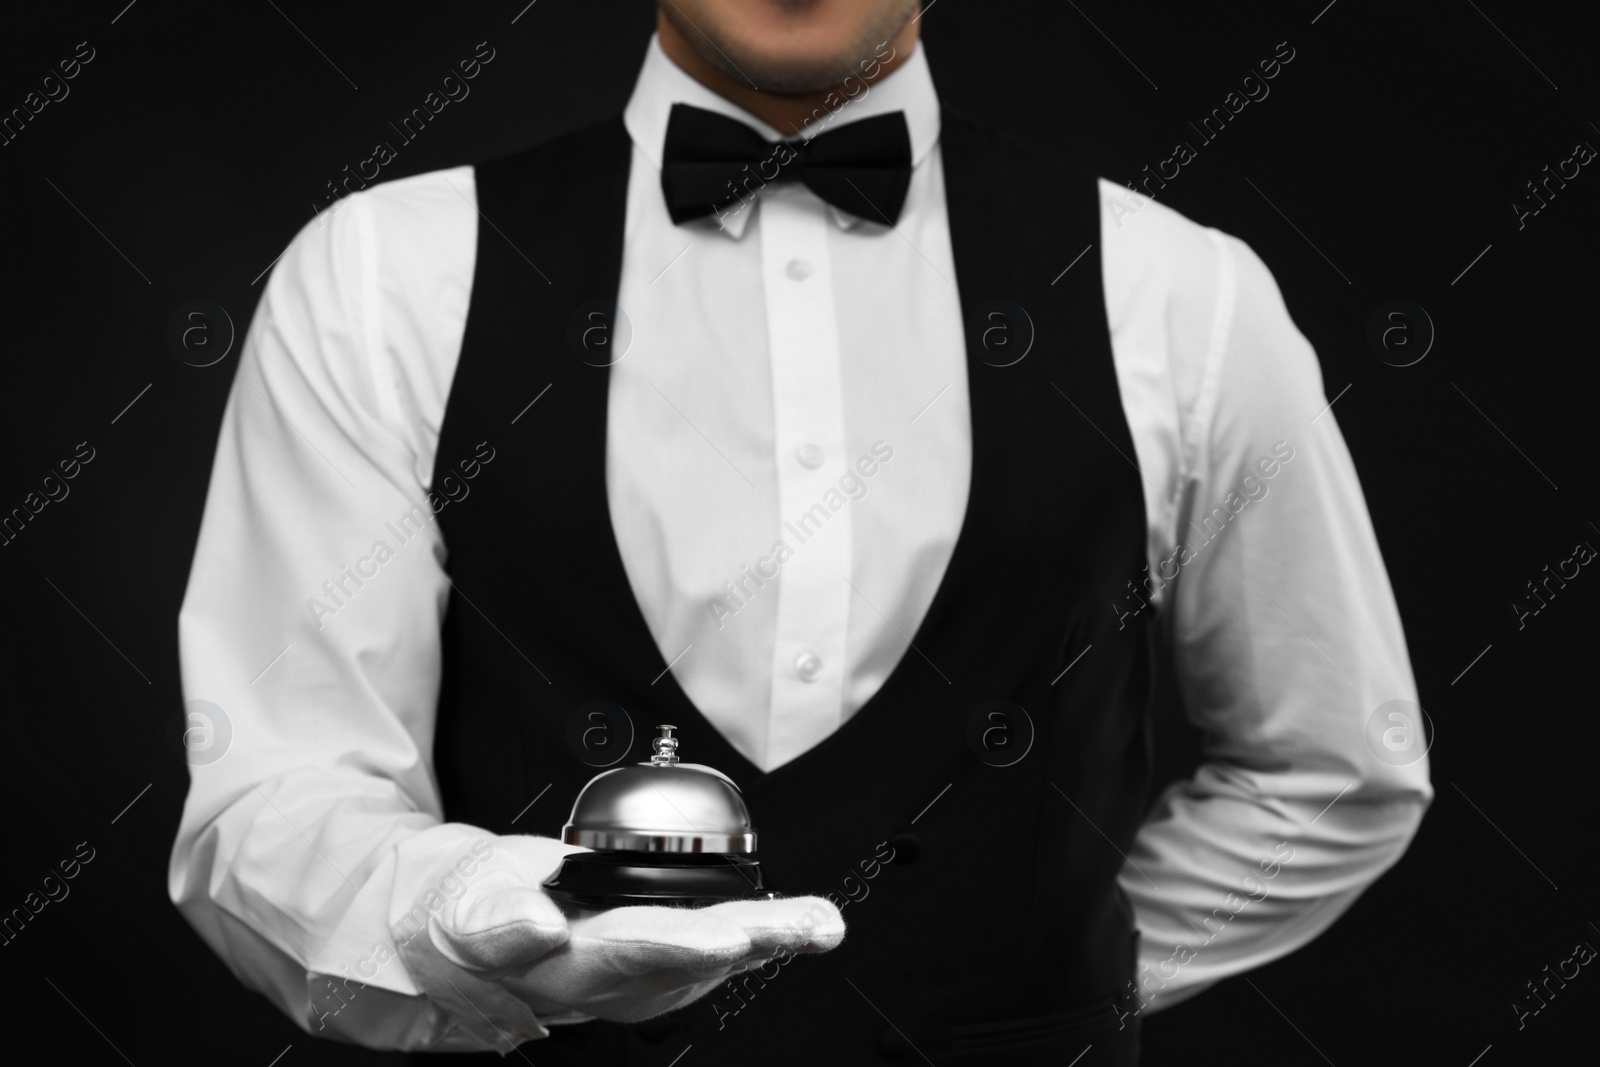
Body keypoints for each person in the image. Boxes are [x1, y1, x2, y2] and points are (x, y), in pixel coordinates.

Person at [169, 1, 1433, 1063]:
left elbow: (1334, 766)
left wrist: (1067, 973)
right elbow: (273, 798)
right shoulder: (378, 277)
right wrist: (461, 924)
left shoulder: (1184, 292)